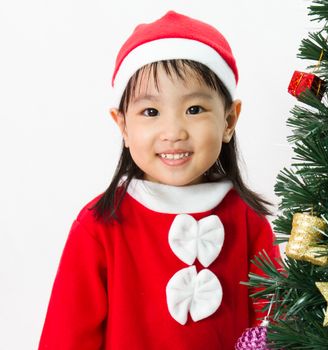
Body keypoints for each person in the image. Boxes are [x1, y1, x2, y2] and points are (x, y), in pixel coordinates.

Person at [39, 10, 280, 350]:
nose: (173, 132)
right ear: (122, 125)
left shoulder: (248, 221)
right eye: (150, 112)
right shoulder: (99, 225)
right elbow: (65, 337)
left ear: (229, 119)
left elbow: (279, 326)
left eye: (194, 109)